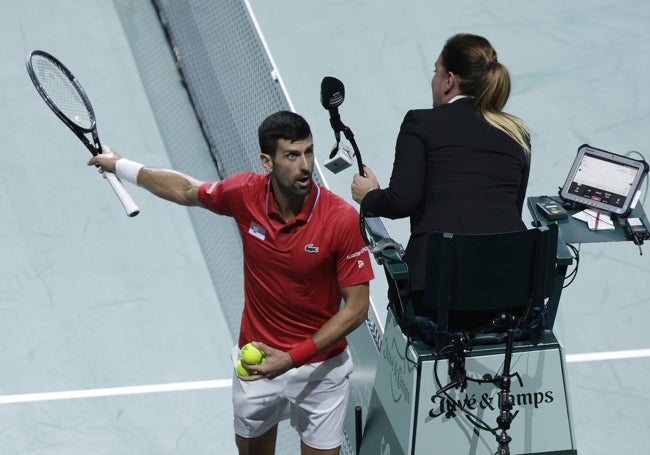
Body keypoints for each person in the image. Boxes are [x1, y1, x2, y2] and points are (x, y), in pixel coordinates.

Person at [89, 111, 374, 455]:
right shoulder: (245, 194)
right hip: (255, 364)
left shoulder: (340, 219)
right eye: (292, 155)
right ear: (267, 162)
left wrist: (291, 357)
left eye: (309, 152)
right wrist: (121, 166)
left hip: (320, 369)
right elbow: (186, 189)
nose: (305, 166)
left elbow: (357, 309)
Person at [351, 33, 531, 328]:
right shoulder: (517, 134)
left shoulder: (421, 123)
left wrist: (369, 195)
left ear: (449, 80)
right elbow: (513, 207)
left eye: (435, 72)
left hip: (438, 294)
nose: (433, 80)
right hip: (509, 291)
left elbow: (402, 200)